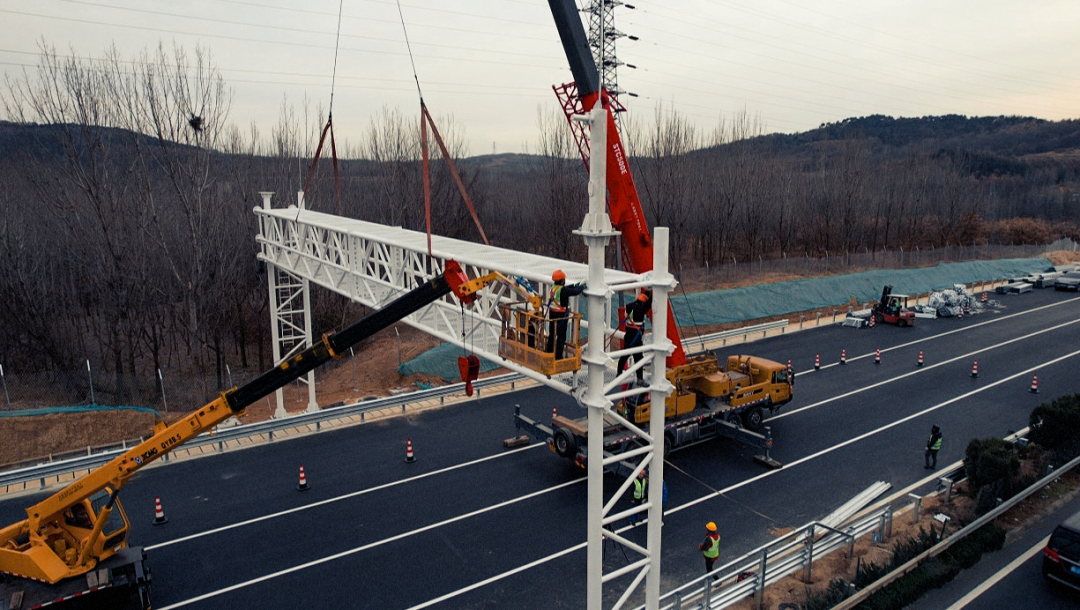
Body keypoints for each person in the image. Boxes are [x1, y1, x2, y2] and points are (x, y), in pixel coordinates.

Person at [546, 270, 586, 359]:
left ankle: (549, 353)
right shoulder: (563, 290)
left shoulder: (553, 288)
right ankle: (558, 356)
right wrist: (582, 287)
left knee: (552, 335)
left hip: (552, 315)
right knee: (561, 336)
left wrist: (574, 285)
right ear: (562, 281)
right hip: (561, 316)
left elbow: (567, 289)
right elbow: (574, 292)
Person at [617, 290, 652, 382]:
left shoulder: (629, 306)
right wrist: (653, 292)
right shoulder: (642, 308)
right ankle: (640, 379)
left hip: (628, 335)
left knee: (624, 355)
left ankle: (619, 373)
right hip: (636, 337)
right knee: (638, 358)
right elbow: (650, 303)